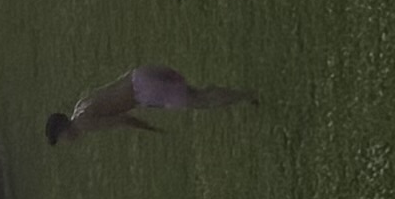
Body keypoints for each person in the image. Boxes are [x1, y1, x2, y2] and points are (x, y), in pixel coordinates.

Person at [49, 61, 255, 143]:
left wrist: (150, 129)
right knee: (197, 94)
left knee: (201, 101)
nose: (67, 141)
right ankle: (240, 94)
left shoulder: (84, 123)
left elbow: (123, 120)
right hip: (138, 76)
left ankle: (245, 95)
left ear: (64, 128)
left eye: (62, 137)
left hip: (144, 91)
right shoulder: (81, 104)